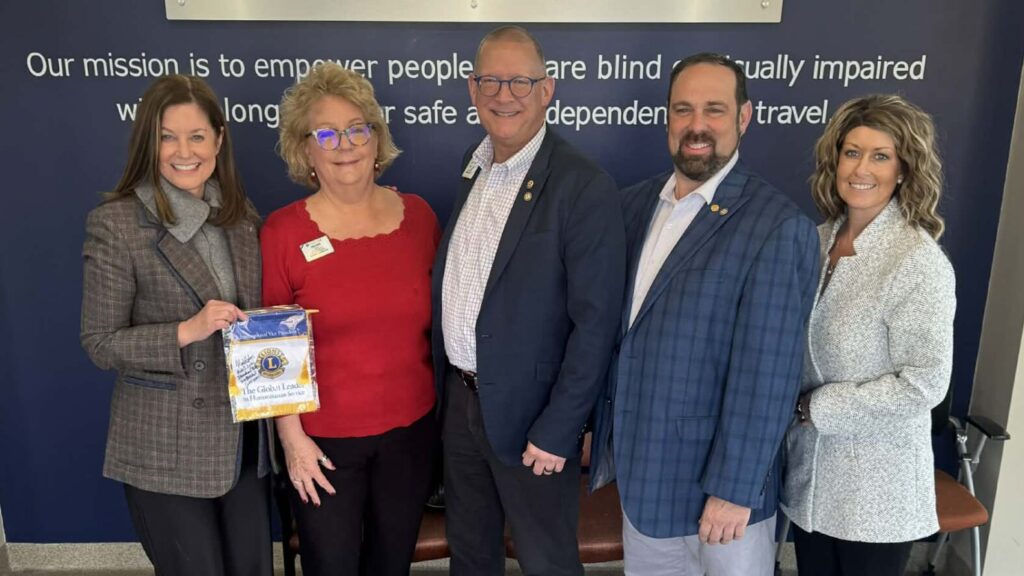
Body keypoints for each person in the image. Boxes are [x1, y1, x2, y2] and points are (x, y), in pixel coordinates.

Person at [589, 53, 820, 576]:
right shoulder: (631, 206)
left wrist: (734, 489)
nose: (696, 126)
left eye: (714, 110)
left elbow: (768, 375)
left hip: (721, 499)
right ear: (667, 119)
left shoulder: (776, 227)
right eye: (683, 110)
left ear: (744, 117)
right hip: (643, 481)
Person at [432, 25, 626, 576]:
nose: (504, 94)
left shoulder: (582, 185)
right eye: (490, 80)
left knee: (547, 561)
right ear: (471, 90)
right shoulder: (474, 168)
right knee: (471, 555)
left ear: (548, 90)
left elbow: (597, 324)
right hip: (462, 403)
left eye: (520, 81)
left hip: (533, 418)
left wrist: (560, 428)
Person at [80, 75, 271, 575]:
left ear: (219, 140)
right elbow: (100, 343)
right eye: (167, 136)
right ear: (148, 141)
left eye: (196, 136)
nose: (183, 151)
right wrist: (186, 330)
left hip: (242, 444)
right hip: (165, 447)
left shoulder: (241, 216)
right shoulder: (117, 223)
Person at [261, 62, 440, 576]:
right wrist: (293, 443)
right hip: (322, 444)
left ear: (376, 139)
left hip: (411, 434)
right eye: (327, 132)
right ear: (305, 149)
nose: (346, 143)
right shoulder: (281, 233)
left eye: (358, 128)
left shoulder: (421, 218)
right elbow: (269, 351)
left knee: (391, 565)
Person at [780, 94, 955, 576]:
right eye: (852, 151)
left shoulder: (915, 261)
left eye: (881, 156)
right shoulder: (814, 242)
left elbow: (924, 384)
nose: (862, 167)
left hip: (877, 497)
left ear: (903, 169)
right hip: (811, 483)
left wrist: (816, 408)